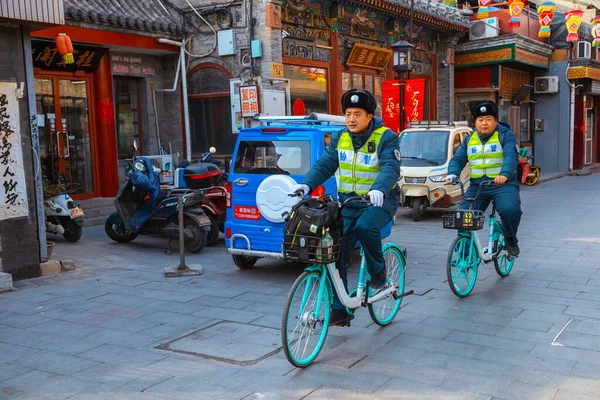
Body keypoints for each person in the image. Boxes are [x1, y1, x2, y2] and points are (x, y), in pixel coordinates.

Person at [293, 89, 401, 326]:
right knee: (332, 249)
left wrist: (380, 189)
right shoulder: (340, 137)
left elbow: (390, 167)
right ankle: (340, 308)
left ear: (370, 115)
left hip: (381, 200)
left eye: (357, 114)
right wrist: (306, 185)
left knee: (365, 227)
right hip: (349, 202)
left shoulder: (387, 137)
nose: (351, 119)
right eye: (348, 114)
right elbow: (325, 165)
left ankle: (379, 274)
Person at [446, 100, 522, 256]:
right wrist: (452, 173)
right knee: (464, 216)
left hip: (502, 184)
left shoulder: (505, 135)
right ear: (475, 122)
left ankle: (510, 240)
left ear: (495, 120)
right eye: (480, 120)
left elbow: (511, 156)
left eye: (488, 119)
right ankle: (465, 256)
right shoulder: (469, 139)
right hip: (477, 186)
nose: (484, 123)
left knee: (510, 210)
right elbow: (458, 159)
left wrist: (505, 174)